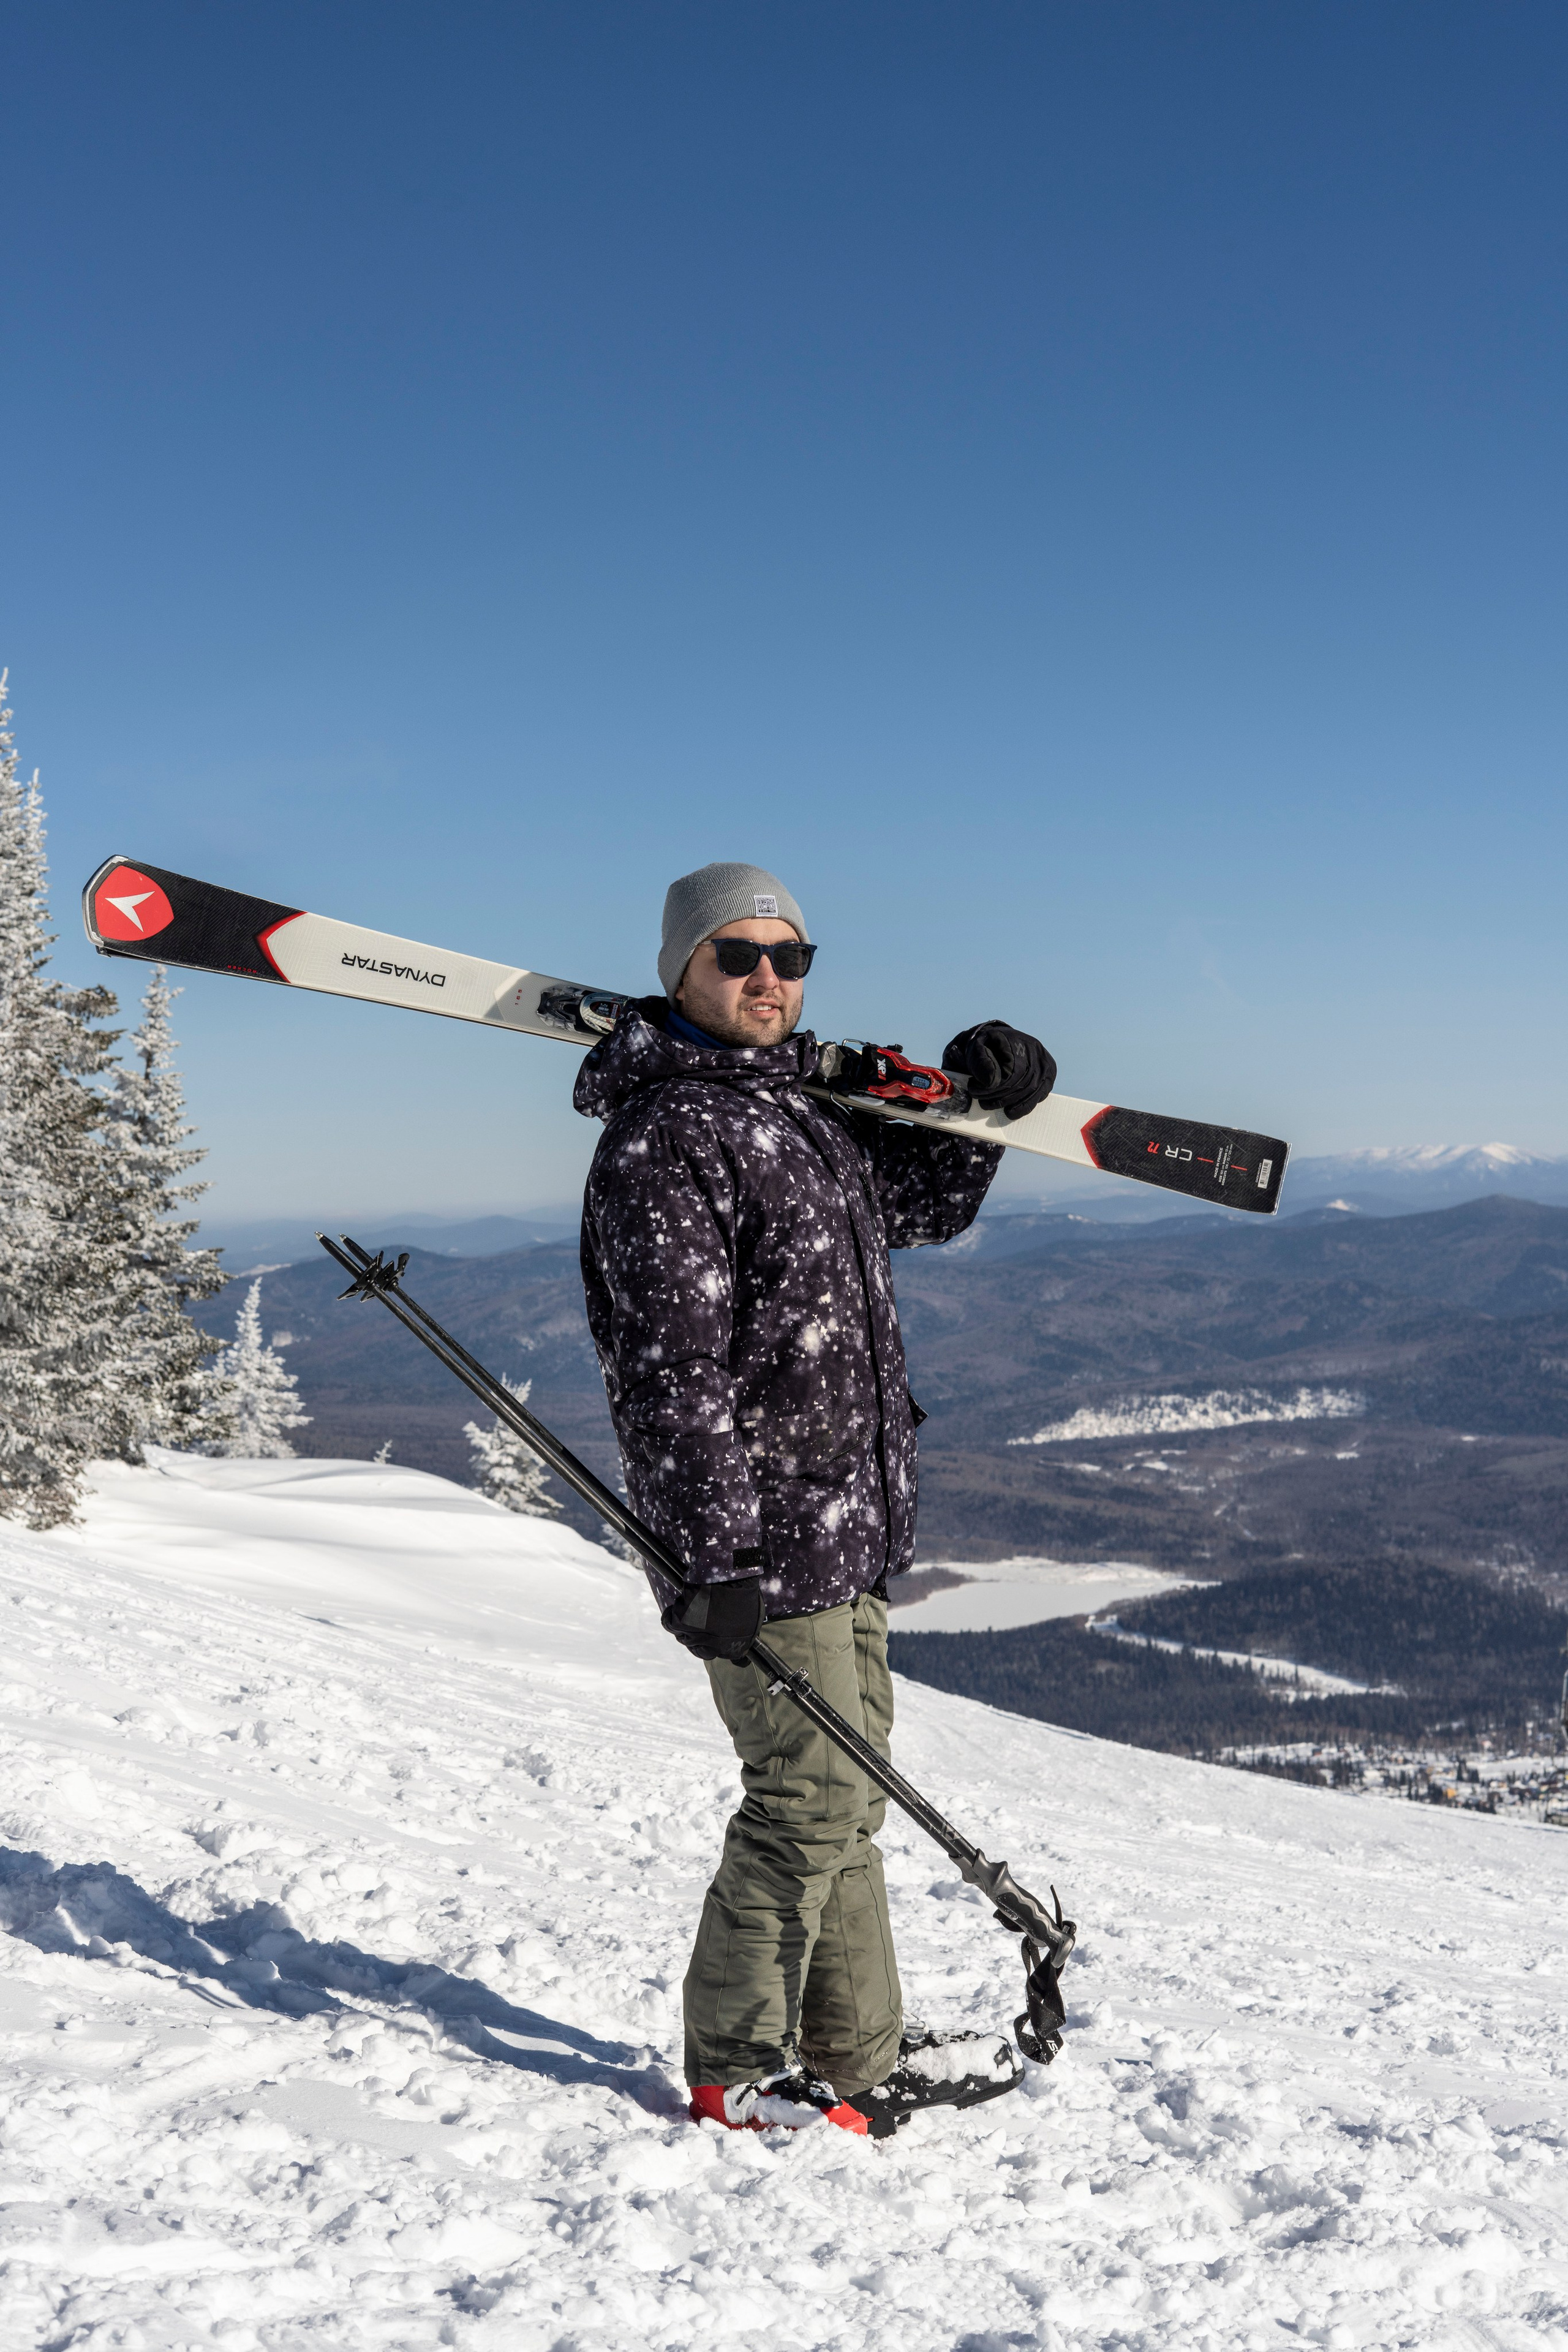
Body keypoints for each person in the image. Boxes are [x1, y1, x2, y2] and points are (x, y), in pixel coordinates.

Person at [574, 861, 1055, 2137]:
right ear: (680, 967)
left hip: (849, 1528)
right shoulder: (664, 1138)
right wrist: (707, 1555)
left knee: (848, 1799)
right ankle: (736, 2070)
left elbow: (923, 1208)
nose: (768, 979)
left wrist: (981, 1103)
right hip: (760, 1544)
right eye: (737, 956)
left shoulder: (799, 1116)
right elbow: (668, 1374)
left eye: (790, 958)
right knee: (805, 1801)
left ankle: (854, 2055)